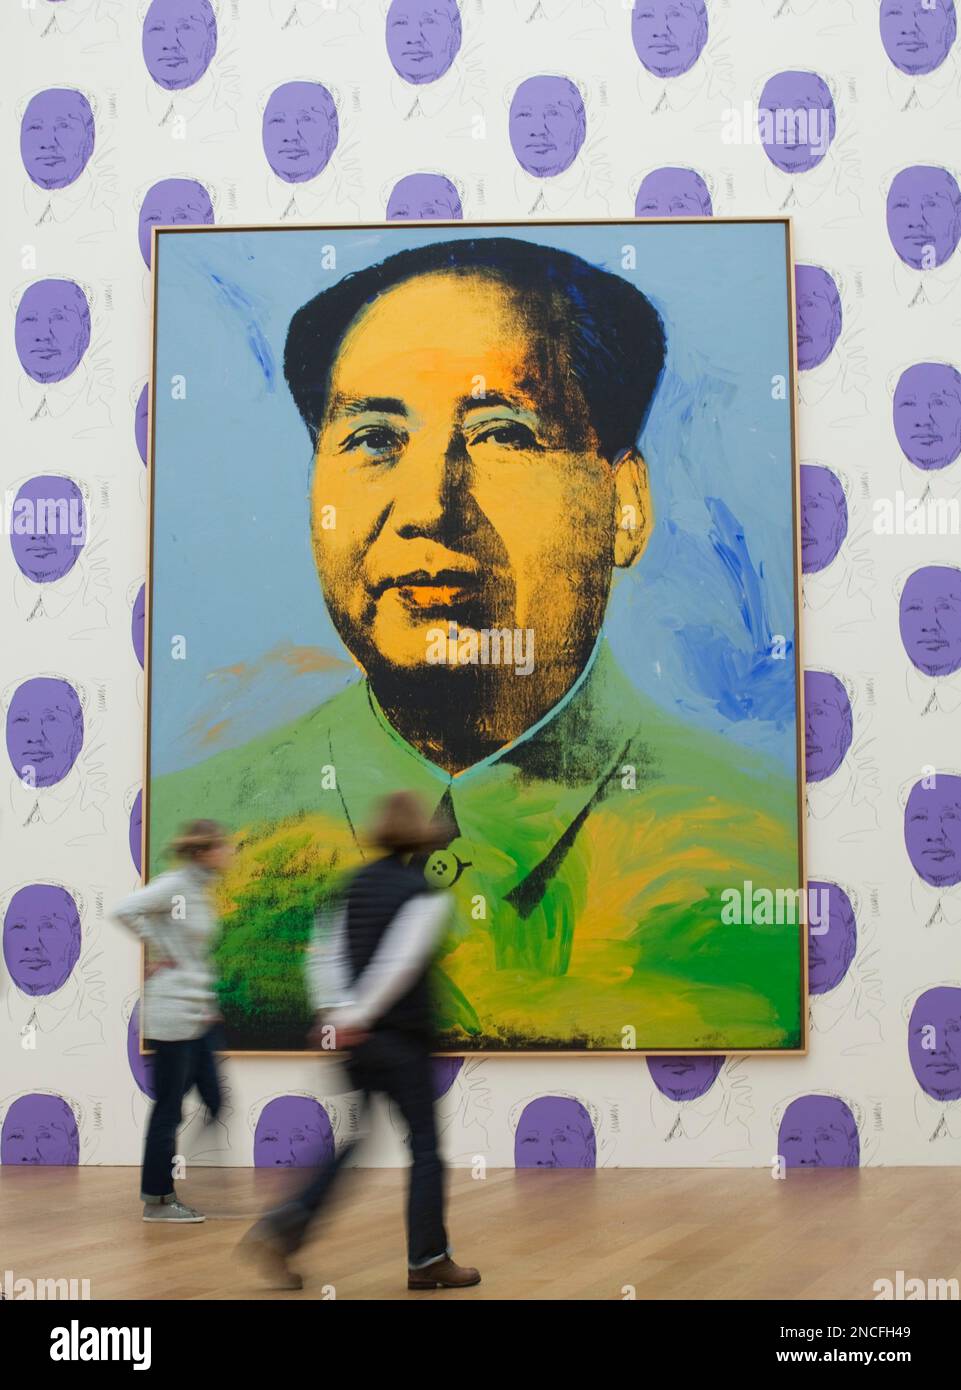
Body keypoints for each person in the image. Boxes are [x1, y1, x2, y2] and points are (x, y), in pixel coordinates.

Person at [151, 236, 801, 1053]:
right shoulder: (188, 838)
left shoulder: (764, 860)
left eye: (501, 435)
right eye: (374, 439)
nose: (427, 504)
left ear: (625, 505)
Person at [241, 791, 480, 1291]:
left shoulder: (349, 887)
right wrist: (362, 1015)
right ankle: (428, 1259)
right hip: (400, 1040)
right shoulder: (425, 895)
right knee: (427, 1148)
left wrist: (335, 1015)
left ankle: (284, 1227)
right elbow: (399, 963)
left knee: (355, 1140)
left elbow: (322, 956)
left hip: (355, 1044)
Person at [113, 818, 231, 1222]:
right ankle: (158, 1199)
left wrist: (205, 996)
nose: (229, 852)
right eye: (222, 846)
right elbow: (126, 909)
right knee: (169, 1108)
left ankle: (186, 1171)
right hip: (172, 1015)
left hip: (196, 1014)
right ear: (203, 852)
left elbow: (193, 952)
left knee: (215, 1097)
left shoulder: (199, 889)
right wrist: (158, 947)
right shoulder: (178, 884)